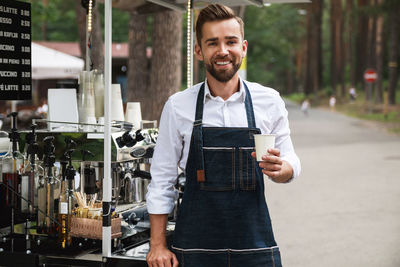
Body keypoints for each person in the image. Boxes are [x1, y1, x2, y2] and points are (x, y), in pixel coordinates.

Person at [146, 4, 301, 267]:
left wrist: (281, 169)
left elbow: (291, 161)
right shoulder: (178, 106)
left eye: (231, 41)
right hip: (194, 250)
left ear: (244, 47)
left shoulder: (269, 101)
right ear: (198, 50)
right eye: (212, 43)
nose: (222, 51)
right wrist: (158, 245)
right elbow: (161, 180)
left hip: (254, 248)